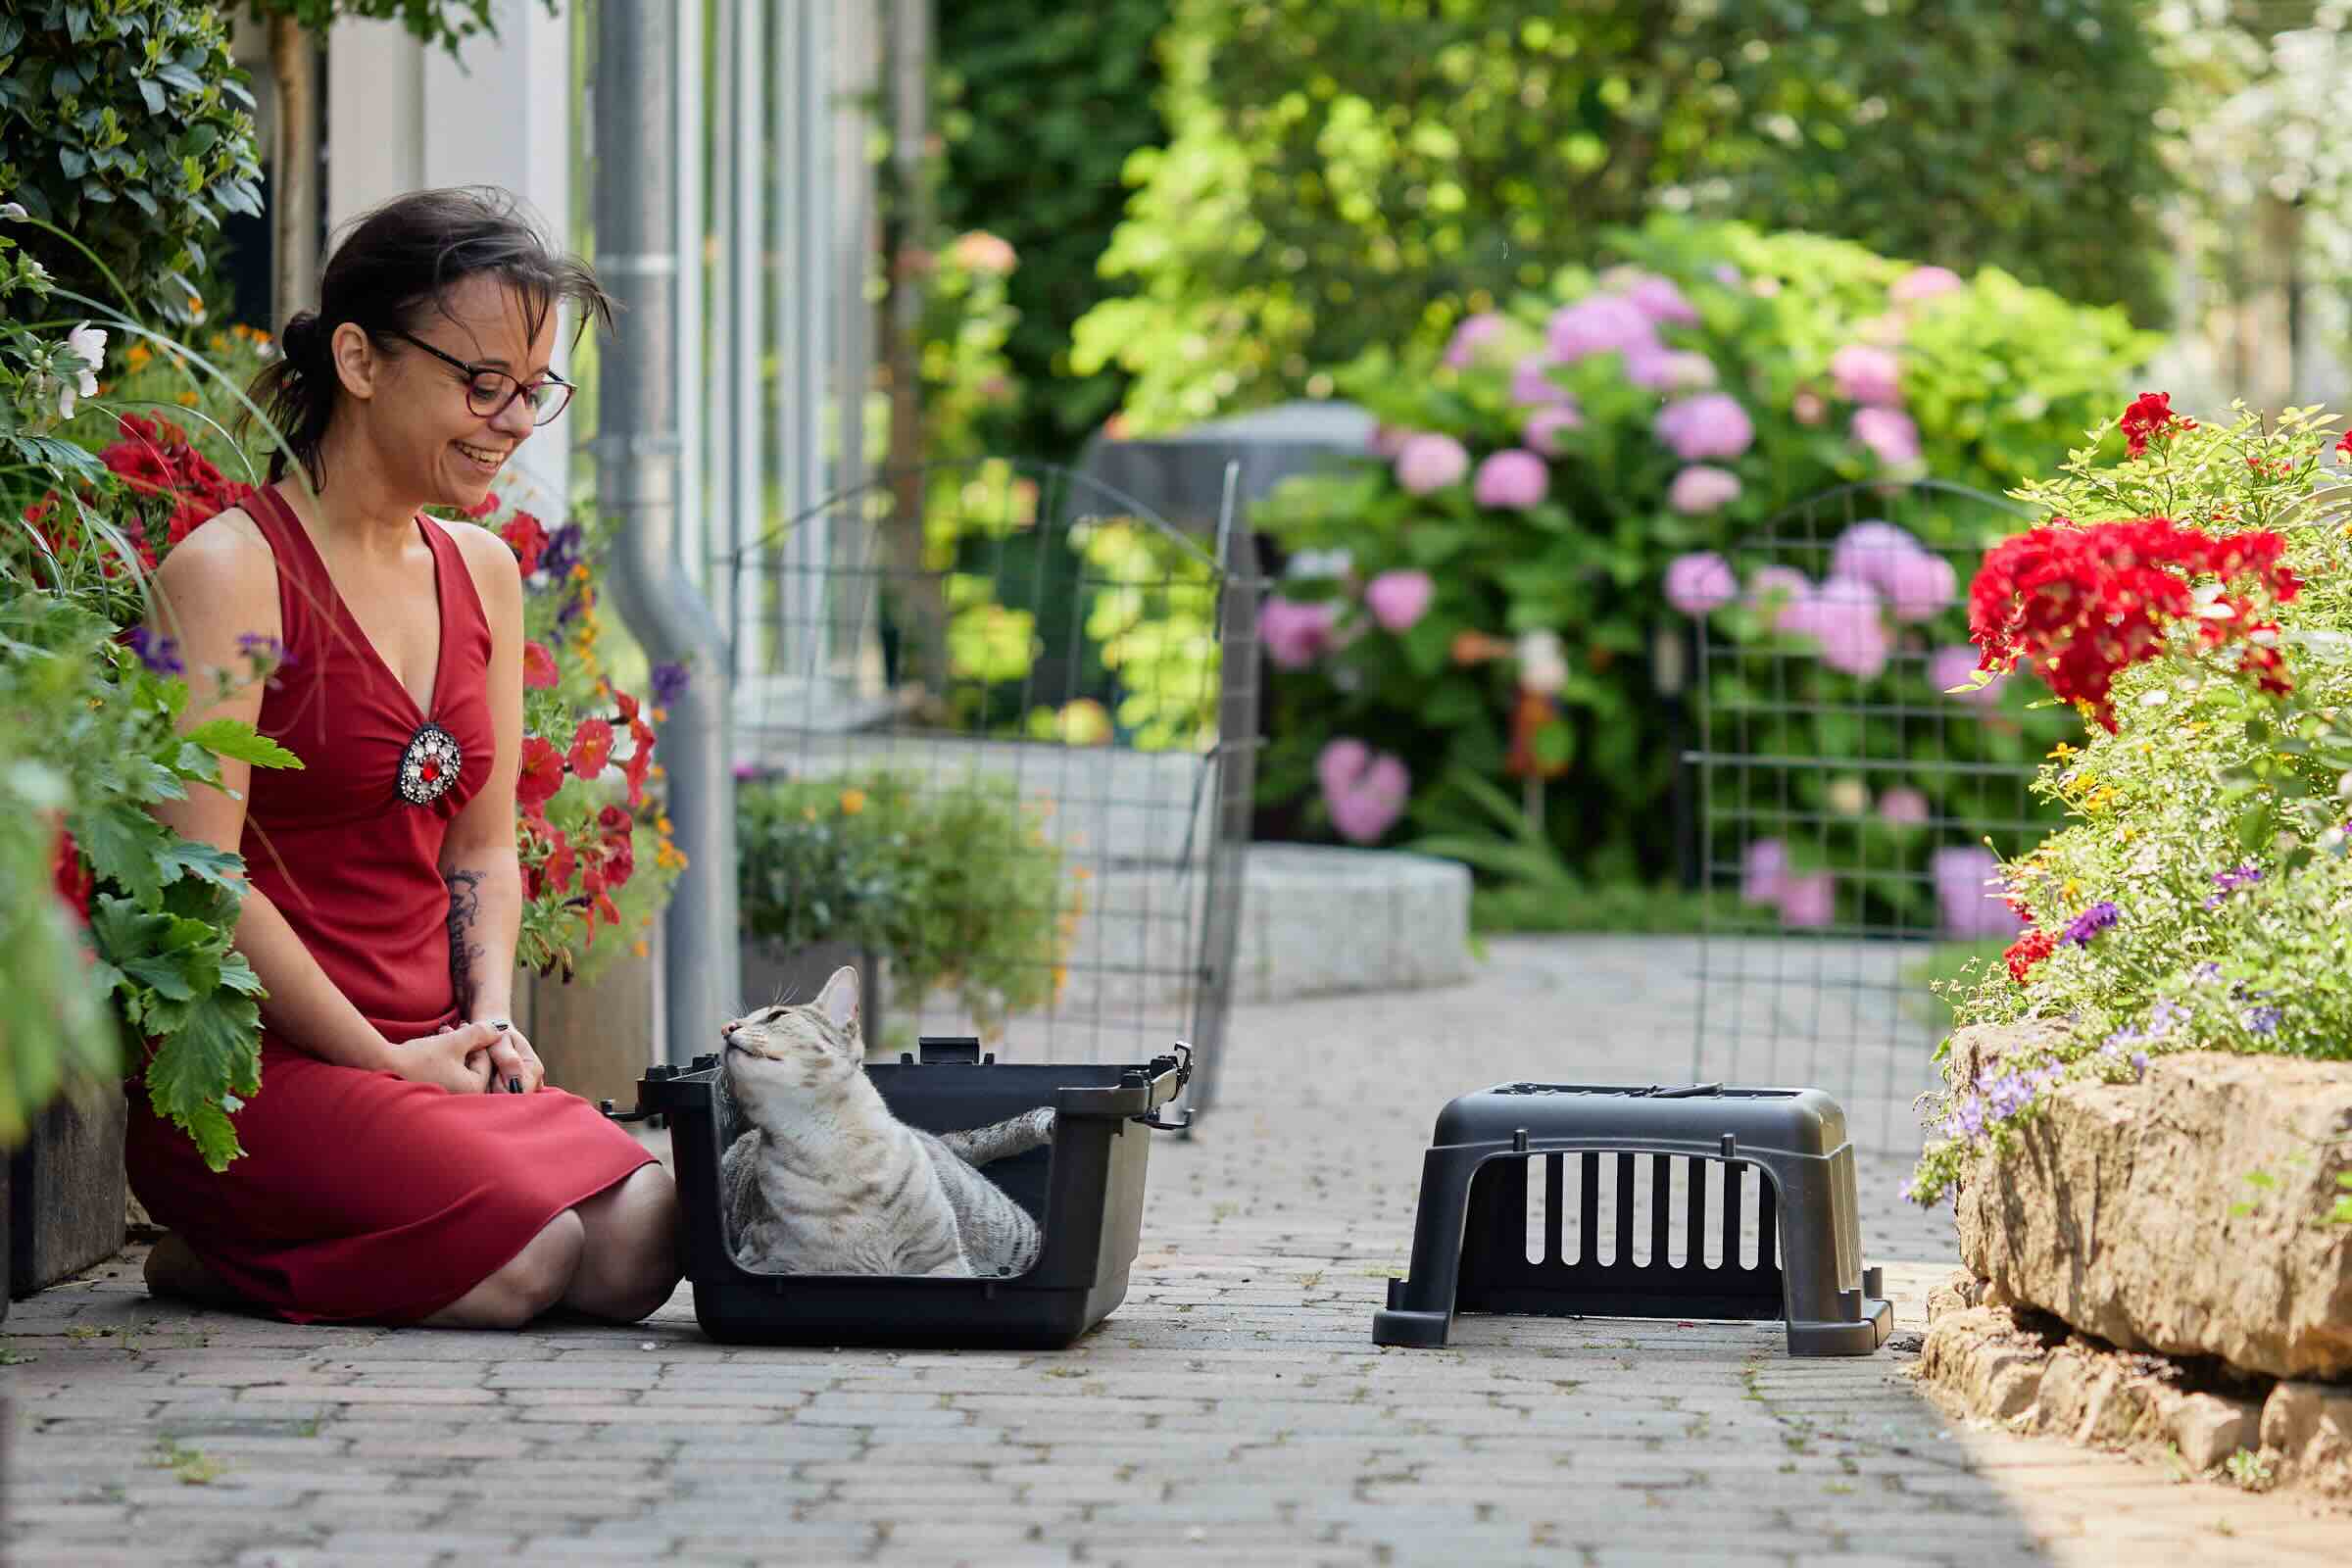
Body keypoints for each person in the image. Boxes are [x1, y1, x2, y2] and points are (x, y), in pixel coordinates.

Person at [128, 187, 681, 1329]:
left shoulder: (480, 569)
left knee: (641, 1242)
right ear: (360, 359)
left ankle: (355, 1215)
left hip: (435, 1061)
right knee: (528, 1259)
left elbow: (483, 840)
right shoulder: (231, 573)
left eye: (536, 390)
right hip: (267, 1073)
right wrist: (387, 1058)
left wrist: (487, 1018)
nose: (515, 421)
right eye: (483, 384)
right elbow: (203, 878)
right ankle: (206, 1254)